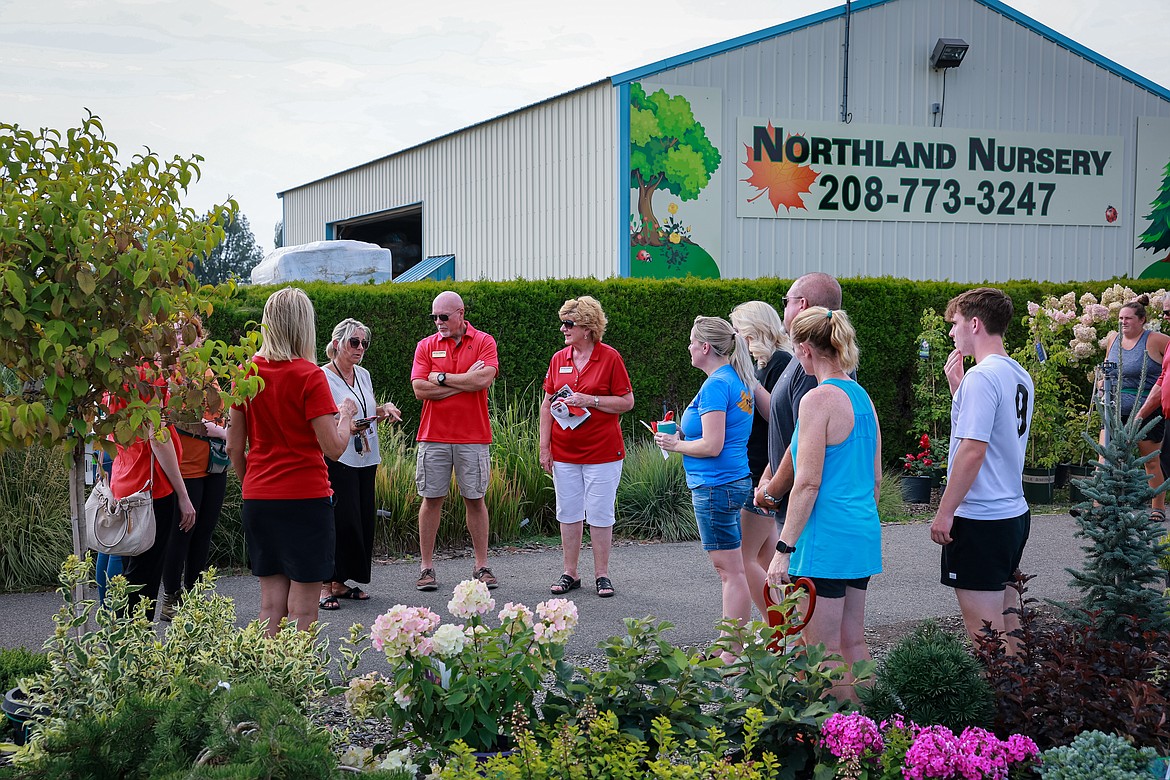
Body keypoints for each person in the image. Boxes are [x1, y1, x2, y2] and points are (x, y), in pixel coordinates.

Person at [761, 307, 881, 703]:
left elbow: (808, 483)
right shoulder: (862, 396)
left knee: (822, 649)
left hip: (823, 540)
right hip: (860, 533)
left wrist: (783, 550)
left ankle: (841, 742)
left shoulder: (817, 400)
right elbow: (876, 479)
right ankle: (869, 730)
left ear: (806, 349)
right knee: (854, 644)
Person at [226, 287, 358, 636]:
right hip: (306, 499)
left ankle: (268, 681)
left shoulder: (246, 373)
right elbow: (333, 448)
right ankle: (295, 685)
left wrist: (251, 483)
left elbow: (233, 448)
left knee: (270, 606)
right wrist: (345, 416)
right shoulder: (309, 375)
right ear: (304, 326)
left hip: (260, 499)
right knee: (304, 610)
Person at [929, 287, 1034, 653]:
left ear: (975, 323)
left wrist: (945, 512)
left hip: (981, 519)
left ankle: (1000, 706)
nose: (952, 332)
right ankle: (1024, 701)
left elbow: (973, 451)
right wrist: (959, 386)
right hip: (1013, 513)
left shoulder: (982, 377)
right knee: (1009, 620)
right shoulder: (1019, 374)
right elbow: (998, 432)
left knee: (985, 635)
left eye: (955, 323)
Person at [655, 316, 756, 665]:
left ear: (705, 348)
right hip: (733, 481)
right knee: (735, 569)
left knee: (730, 573)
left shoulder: (716, 385)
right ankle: (733, 645)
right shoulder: (737, 380)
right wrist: (683, 439)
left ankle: (732, 652)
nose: (688, 347)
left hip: (715, 486)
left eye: (691, 341)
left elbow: (712, 445)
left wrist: (674, 443)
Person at [539, 296, 634, 598]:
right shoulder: (559, 359)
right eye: (563, 322)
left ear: (589, 328)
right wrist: (544, 446)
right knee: (568, 511)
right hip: (565, 450)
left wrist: (590, 400)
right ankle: (570, 572)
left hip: (603, 452)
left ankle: (602, 574)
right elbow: (546, 405)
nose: (563, 329)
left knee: (600, 513)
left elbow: (626, 402)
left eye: (569, 323)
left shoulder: (610, 358)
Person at [411, 291, 500, 591]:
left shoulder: (484, 342)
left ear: (461, 313)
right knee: (431, 499)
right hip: (433, 436)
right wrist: (460, 380)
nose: (438, 322)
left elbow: (483, 380)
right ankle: (426, 568)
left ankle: (482, 565)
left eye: (444, 316)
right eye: (434, 317)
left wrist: (440, 377)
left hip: (473, 436)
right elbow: (420, 390)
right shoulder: (425, 345)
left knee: (475, 499)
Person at [319, 318, 402, 611]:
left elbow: (367, 410)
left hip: (366, 455)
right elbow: (323, 418)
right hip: (339, 454)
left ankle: (341, 582)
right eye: (355, 342)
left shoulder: (363, 374)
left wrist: (384, 410)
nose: (360, 348)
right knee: (338, 519)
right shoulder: (322, 377)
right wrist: (345, 423)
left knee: (360, 518)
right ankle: (324, 585)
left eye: (364, 343)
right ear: (338, 343)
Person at [755, 273, 843, 534]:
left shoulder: (812, 366)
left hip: (805, 517)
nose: (784, 308)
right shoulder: (806, 360)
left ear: (802, 304)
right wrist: (768, 474)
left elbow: (803, 442)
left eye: (786, 300)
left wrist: (771, 492)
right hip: (799, 510)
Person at [107, 368, 196, 619]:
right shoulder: (149, 380)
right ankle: (136, 646)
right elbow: (158, 438)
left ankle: (125, 638)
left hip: (124, 481)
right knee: (145, 580)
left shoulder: (113, 378)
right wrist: (183, 494)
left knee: (132, 572)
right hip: (152, 489)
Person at [160, 317, 228, 621]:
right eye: (177, 335)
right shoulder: (167, 376)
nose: (184, 341)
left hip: (213, 465)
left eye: (190, 335)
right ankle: (170, 597)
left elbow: (219, 412)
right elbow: (197, 421)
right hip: (185, 466)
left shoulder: (205, 372)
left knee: (204, 532)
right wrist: (230, 434)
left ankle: (195, 594)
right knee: (181, 533)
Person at [729, 301, 791, 617]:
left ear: (754, 329)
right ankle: (793, 626)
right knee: (768, 559)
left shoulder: (780, 362)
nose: (734, 337)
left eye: (738, 329)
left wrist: (749, 380)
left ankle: (777, 627)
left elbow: (776, 415)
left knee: (741, 558)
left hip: (764, 471)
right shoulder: (762, 365)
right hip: (756, 467)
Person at [1102, 296, 1169, 522]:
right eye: (1121, 318)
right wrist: (1103, 383)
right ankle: (1097, 504)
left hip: (1147, 410)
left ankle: (1157, 507)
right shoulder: (1113, 339)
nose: (1123, 322)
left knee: (1150, 460)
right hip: (1114, 408)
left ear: (1142, 320)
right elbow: (1107, 369)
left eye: (1128, 318)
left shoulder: (1155, 340)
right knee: (1105, 455)